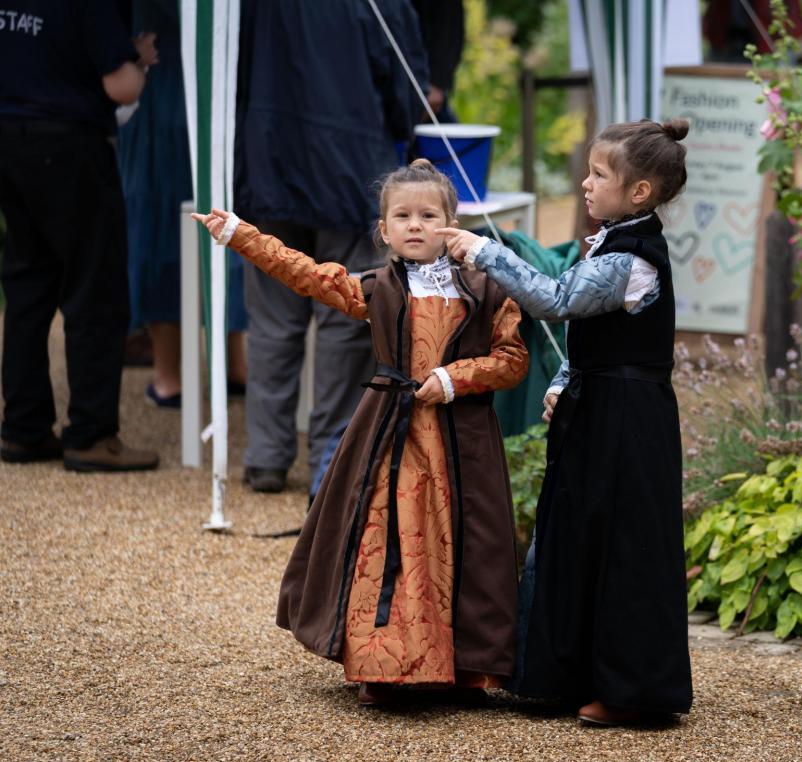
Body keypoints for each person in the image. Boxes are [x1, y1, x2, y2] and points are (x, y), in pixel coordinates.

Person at [192, 159, 530, 706]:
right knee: (389, 539)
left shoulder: (489, 288)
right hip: (389, 434)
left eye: (428, 214)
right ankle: (385, 663)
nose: (415, 225)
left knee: (467, 542)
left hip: (463, 442)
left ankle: (464, 665)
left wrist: (452, 378)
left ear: (452, 222)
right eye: (403, 215)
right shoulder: (375, 288)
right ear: (383, 229)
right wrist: (241, 235)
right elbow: (303, 272)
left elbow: (513, 359)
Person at [440, 118, 694, 726]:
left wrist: (484, 250)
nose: (584, 184)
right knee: (576, 534)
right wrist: (562, 381)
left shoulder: (633, 256)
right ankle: (563, 675)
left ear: (640, 192)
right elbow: (595, 333)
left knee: (624, 545)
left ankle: (634, 689)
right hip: (599, 409)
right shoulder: (613, 240)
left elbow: (556, 301)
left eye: (598, 174)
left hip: (630, 422)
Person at [233, 0, 429, 493]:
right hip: (351, 165)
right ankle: (330, 457)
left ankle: (266, 456)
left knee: (274, 321)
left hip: (268, 159)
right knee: (345, 316)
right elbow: (404, 86)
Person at [0, 0, 160, 471]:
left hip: (10, 137)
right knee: (95, 290)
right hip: (70, 141)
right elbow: (122, 85)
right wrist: (140, 61)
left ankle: (24, 427)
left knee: (27, 284)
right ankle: (91, 435)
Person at [117, 0, 248, 410]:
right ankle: (231, 363)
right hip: (215, 98)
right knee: (224, 223)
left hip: (157, 99)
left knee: (159, 230)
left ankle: (168, 374)